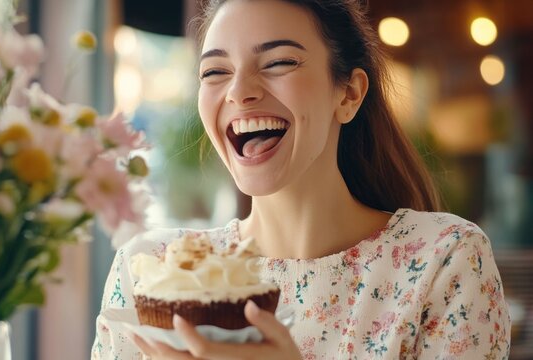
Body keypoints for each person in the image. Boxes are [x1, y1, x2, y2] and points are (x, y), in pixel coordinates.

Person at [91, 0, 511, 358]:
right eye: (214, 72)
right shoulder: (148, 272)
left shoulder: (444, 260)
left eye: (278, 63)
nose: (239, 92)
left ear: (348, 94)